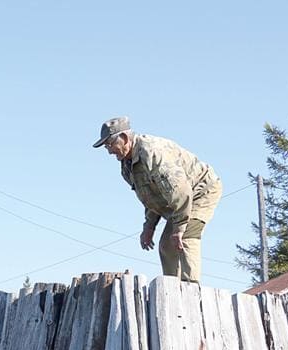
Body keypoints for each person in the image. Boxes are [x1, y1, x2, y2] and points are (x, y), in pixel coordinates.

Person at [94, 116, 223, 283]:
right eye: (106, 147)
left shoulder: (153, 153)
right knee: (166, 246)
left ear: (124, 138)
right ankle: (171, 289)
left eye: (110, 144)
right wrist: (149, 227)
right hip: (179, 197)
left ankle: (191, 289)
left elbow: (181, 192)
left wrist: (179, 228)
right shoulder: (127, 166)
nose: (109, 151)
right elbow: (152, 197)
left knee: (185, 237)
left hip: (200, 190)